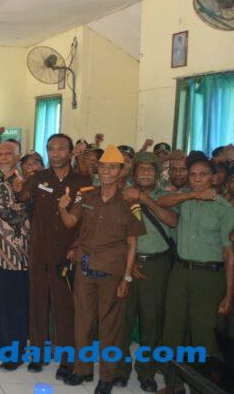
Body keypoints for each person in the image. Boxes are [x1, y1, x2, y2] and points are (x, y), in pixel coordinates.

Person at [56, 146, 145, 394]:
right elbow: (70, 223)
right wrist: (62, 208)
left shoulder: (129, 202)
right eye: (103, 167)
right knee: (83, 322)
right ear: (97, 170)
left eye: (112, 168)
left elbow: (132, 243)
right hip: (85, 268)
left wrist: (127, 277)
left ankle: (107, 376)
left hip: (112, 271)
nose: (106, 172)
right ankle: (82, 369)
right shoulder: (87, 196)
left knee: (110, 327)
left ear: (121, 171)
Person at [14, 133, 91, 379]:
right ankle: (38, 354)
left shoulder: (82, 181)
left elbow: (87, 220)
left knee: (65, 309)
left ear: (70, 152)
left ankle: (67, 360)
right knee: (38, 305)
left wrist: (77, 245)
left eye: (60, 148)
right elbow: (24, 196)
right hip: (39, 252)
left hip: (66, 255)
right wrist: (19, 189)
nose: (55, 153)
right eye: (51, 149)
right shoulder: (39, 178)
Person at [158, 152, 234, 376]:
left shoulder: (225, 209)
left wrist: (229, 294)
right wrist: (191, 194)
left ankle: (203, 384)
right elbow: (161, 202)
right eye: (193, 175)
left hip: (209, 276)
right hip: (180, 272)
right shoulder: (184, 199)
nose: (197, 179)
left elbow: (229, 254)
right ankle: (173, 383)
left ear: (213, 177)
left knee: (204, 334)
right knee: (173, 328)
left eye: (203, 174)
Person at [115, 152, 178, 392]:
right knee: (123, 319)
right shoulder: (122, 195)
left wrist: (143, 198)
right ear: (133, 173)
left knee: (152, 320)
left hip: (156, 265)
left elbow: (172, 221)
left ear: (157, 174)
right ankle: (120, 369)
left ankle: (146, 371)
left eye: (150, 169)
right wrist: (128, 262)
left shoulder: (166, 196)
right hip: (126, 263)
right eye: (141, 169)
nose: (145, 173)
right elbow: (114, 231)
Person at [0, 140, 30, 371]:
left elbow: (18, 219)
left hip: (14, 255)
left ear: (18, 157)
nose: (2, 157)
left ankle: (15, 353)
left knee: (14, 307)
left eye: (8, 154)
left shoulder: (22, 184)